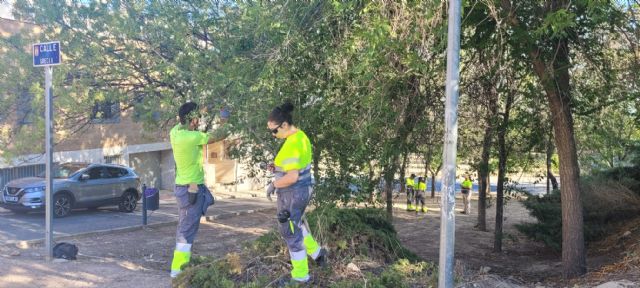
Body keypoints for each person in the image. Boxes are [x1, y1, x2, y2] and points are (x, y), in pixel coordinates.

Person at [265, 102, 326, 284]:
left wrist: (274, 183)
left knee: (291, 232)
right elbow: (294, 165)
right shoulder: (300, 136)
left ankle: (301, 277)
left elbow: (292, 176)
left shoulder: (292, 144)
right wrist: (276, 167)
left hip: (294, 191)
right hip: (300, 190)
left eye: (274, 131)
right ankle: (318, 254)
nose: (273, 135)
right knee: (297, 224)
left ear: (284, 125)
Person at [169, 102, 225, 278]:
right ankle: (178, 272)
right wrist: (225, 119)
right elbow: (220, 135)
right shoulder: (190, 137)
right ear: (192, 120)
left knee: (186, 228)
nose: (199, 121)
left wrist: (200, 111)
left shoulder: (175, 132)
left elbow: (184, 121)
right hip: (190, 189)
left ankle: (181, 268)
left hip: (185, 188)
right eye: (198, 118)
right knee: (186, 232)